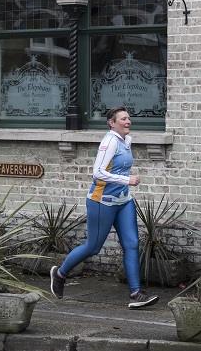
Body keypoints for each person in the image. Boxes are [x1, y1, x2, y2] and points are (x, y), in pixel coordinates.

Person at [50, 107, 159, 309]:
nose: (128, 121)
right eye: (123, 119)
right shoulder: (109, 142)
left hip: (123, 201)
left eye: (129, 118)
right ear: (112, 122)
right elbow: (97, 173)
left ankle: (136, 294)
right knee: (93, 247)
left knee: (132, 244)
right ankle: (60, 273)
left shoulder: (126, 141)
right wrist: (127, 179)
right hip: (102, 201)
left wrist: (124, 184)